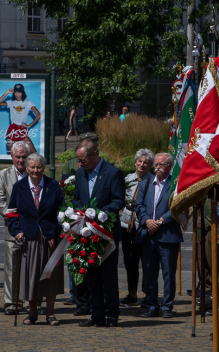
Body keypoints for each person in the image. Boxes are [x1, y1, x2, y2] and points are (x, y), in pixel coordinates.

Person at [6, 153, 65, 325]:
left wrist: (61, 233)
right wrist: (16, 231)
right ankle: (32, 313)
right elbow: (11, 213)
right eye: (32, 167)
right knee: (31, 276)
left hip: (50, 238)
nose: (35, 170)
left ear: (43, 168)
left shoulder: (53, 186)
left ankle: (51, 314)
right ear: (26, 167)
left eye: (39, 167)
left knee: (50, 276)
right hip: (29, 237)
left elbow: (62, 211)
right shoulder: (19, 187)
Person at [72, 138, 126, 327]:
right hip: (86, 232)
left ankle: (112, 314)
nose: (80, 164)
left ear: (94, 155)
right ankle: (96, 314)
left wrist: (101, 214)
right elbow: (77, 199)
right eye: (79, 160)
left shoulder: (112, 173)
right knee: (92, 276)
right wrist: (80, 212)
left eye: (83, 160)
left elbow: (119, 200)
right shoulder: (80, 174)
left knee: (109, 276)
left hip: (106, 232)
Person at [136, 152, 183, 318]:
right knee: (149, 272)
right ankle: (152, 305)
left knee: (168, 273)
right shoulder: (146, 184)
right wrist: (147, 221)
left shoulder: (175, 185)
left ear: (169, 166)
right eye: (155, 164)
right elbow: (139, 205)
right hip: (148, 235)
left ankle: (167, 306)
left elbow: (178, 207)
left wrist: (161, 221)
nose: (157, 167)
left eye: (161, 165)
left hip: (168, 234)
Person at [0, 141, 30, 314]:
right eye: (18, 157)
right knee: (11, 269)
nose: (21, 160)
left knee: (31, 267)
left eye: (24, 157)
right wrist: (12, 215)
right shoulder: (3, 175)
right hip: (12, 228)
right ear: (12, 157)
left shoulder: (35, 172)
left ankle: (32, 303)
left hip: (32, 229)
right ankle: (11, 303)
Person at [119, 148, 153, 307]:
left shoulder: (153, 181)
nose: (142, 165)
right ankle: (132, 293)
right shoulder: (127, 179)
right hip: (127, 226)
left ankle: (147, 294)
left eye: (146, 162)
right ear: (135, 162)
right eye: (139, 161)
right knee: (129, 261)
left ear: (150, 165)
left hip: (143, 226)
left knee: (147, 262)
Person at [0, 83, 41, 155]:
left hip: (22, 128)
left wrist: (29, 125)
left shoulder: (28, 102)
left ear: (22, 93)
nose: (17, 94)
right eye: (16, 92)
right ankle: (13, 166)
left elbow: (38, 115)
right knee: (10, 153)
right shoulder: (11, 102)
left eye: (19, 92)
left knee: (33, 151)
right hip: (12, 128)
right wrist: (6, 93)